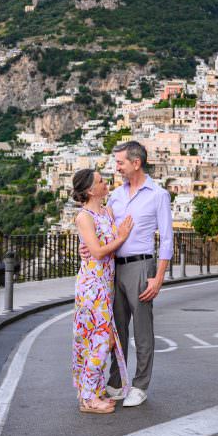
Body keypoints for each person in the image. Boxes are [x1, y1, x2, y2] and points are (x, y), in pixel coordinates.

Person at [102, 140, 174, 408]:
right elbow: (106, 229)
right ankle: (117, 381)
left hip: (142, 267)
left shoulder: (158, 195)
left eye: (120, 162)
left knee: (142, 330)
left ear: (136, 163)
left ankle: (141, 384)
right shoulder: (116, 196)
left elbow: (167, 239)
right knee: (117, 329)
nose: (116, 167)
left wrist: (158, 277)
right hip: (115, 267)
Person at [71, 169, 134, 414]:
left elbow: (103, 249)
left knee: (100, 339)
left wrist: (115, 241)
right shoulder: (84, 217)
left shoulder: (106, 212)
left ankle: (94, 391)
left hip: (105, 285)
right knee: (101, 339)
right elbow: (98, 252)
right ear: (89, 190)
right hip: (91, 285)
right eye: (100, 181)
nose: (105, 183)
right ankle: (87, 398)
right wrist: (122, 236)